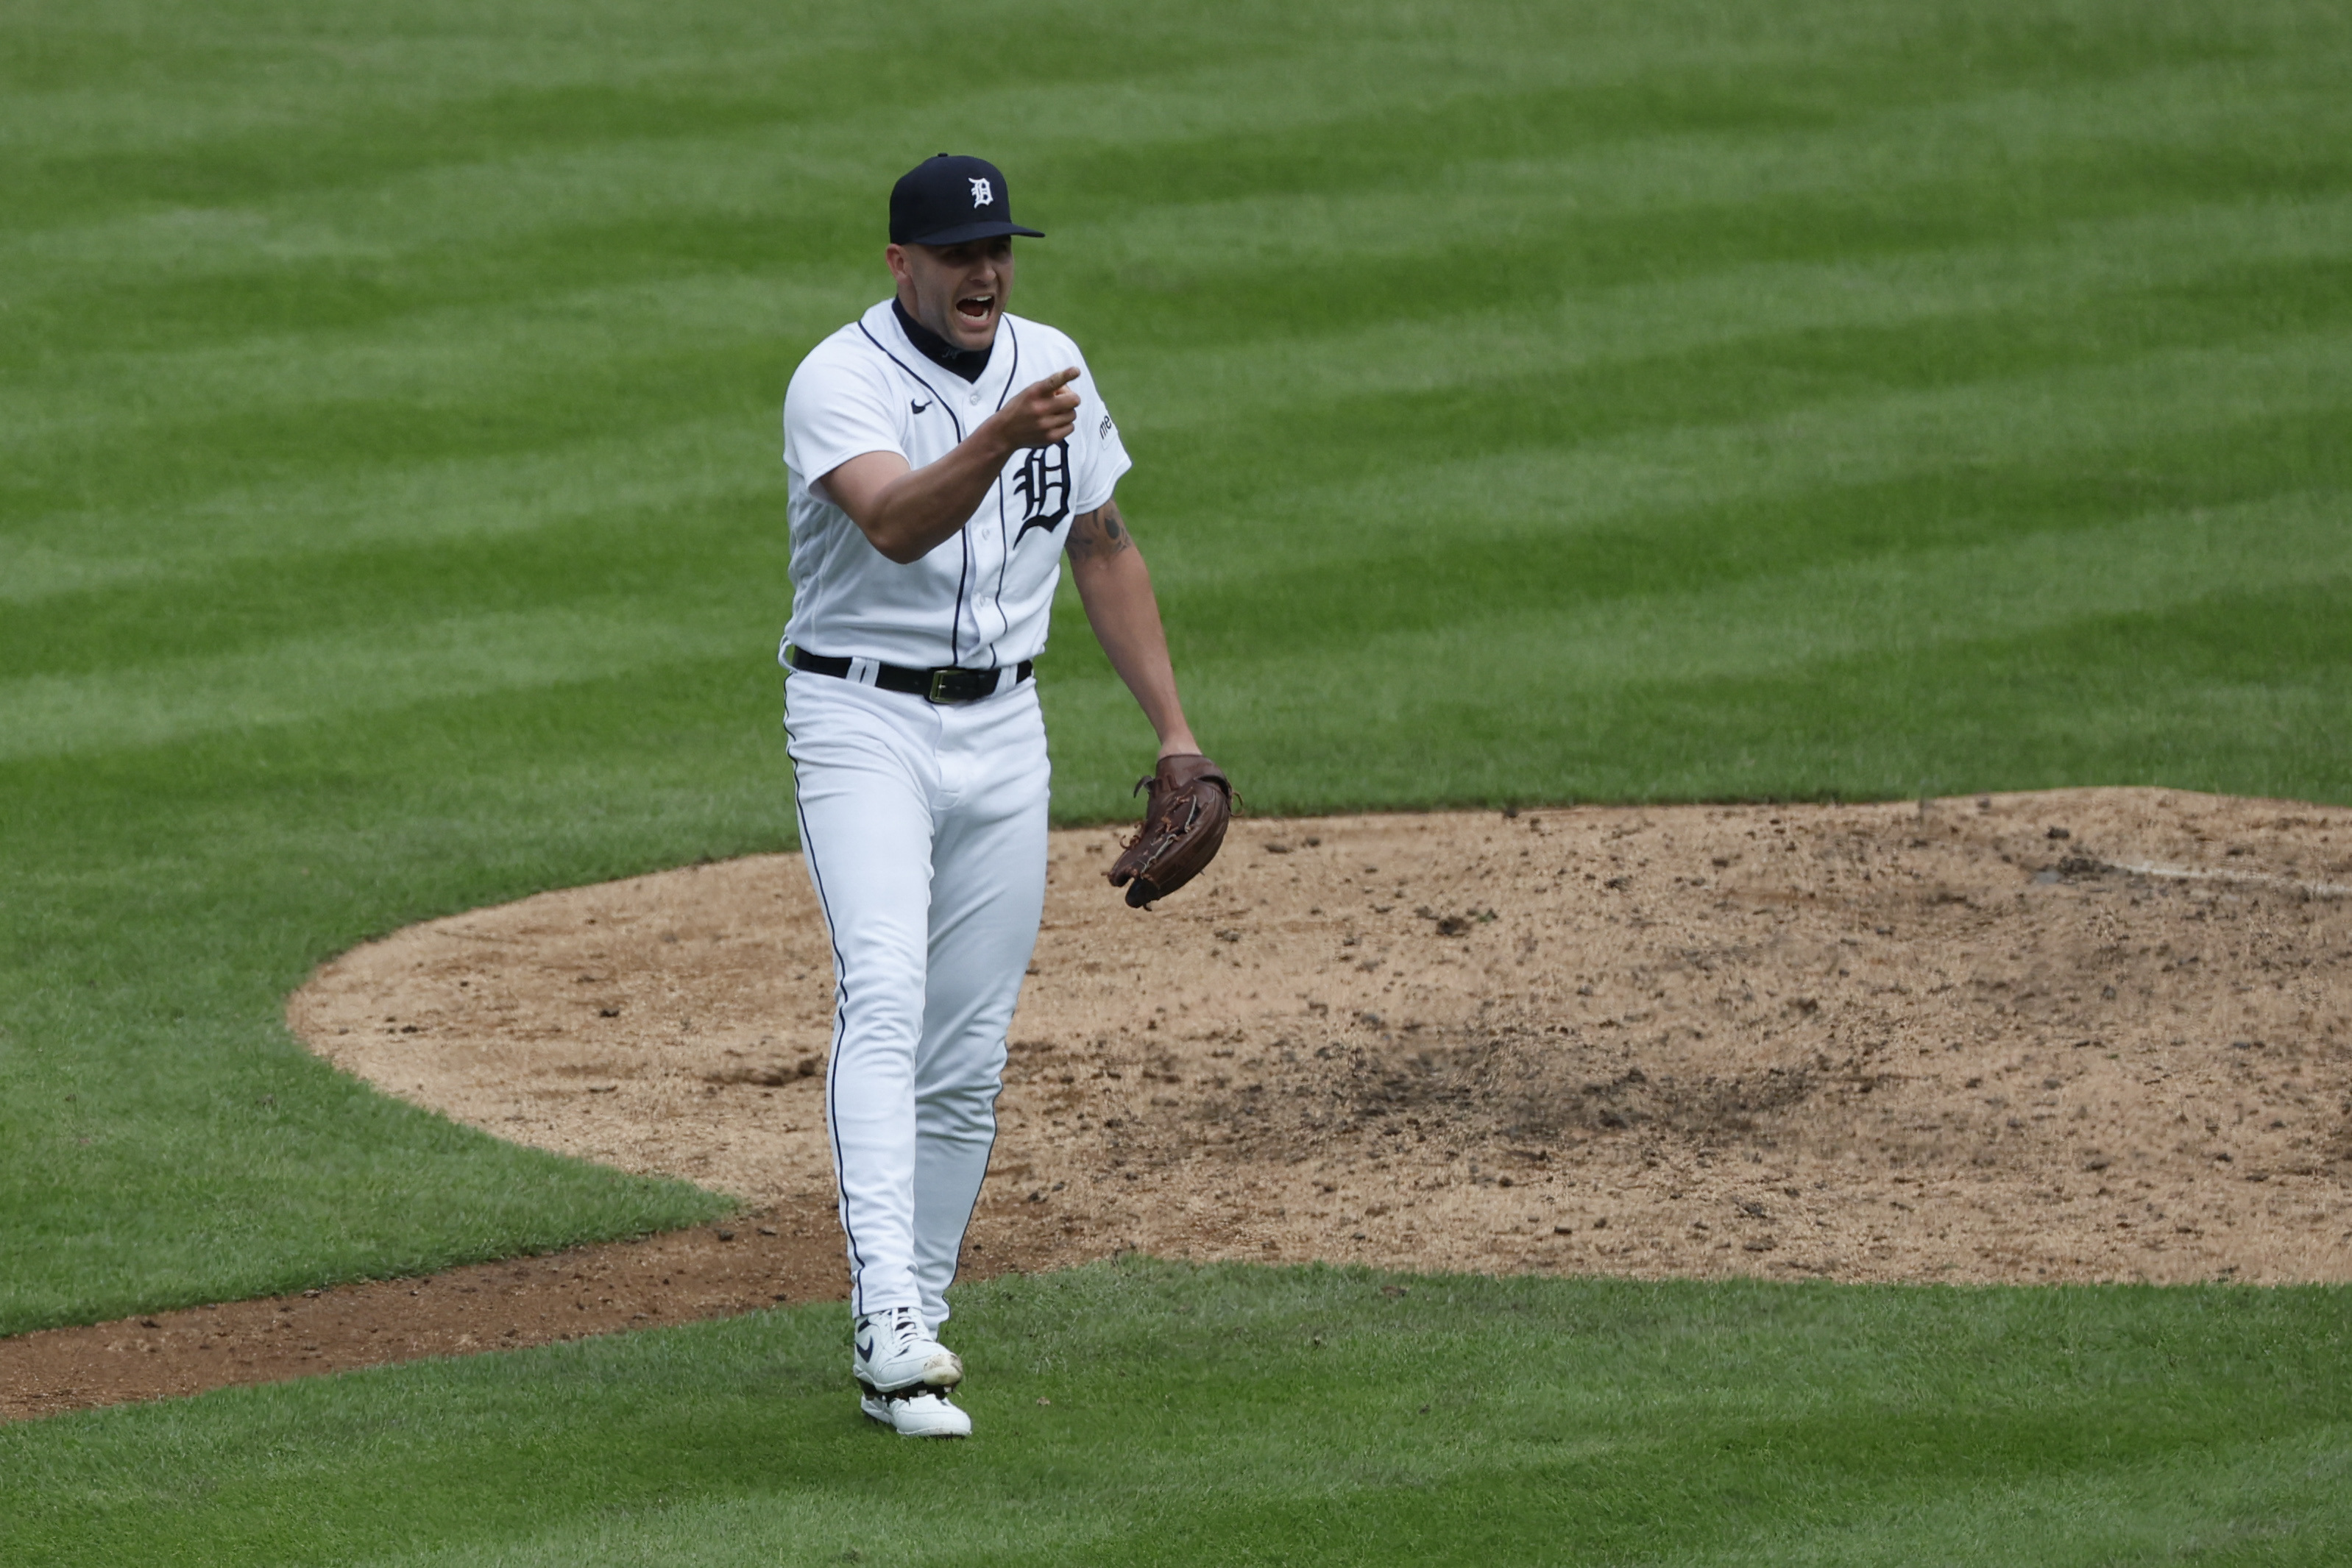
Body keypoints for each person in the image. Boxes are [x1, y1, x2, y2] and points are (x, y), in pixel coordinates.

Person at [778, 155, 1205, 1438]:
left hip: (1006, 728)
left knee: (966, 1056)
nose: (986, 273)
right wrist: (1000, 435)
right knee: (887, 991)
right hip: (861, 722)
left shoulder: (1053, 359)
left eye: (999, 250)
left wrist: (1175, 737)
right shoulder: (837, 378)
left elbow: (1103, 545)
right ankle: (887, 1321)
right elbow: (894, 524)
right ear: (900, 264)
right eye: (958, 255)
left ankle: (914, 1322)